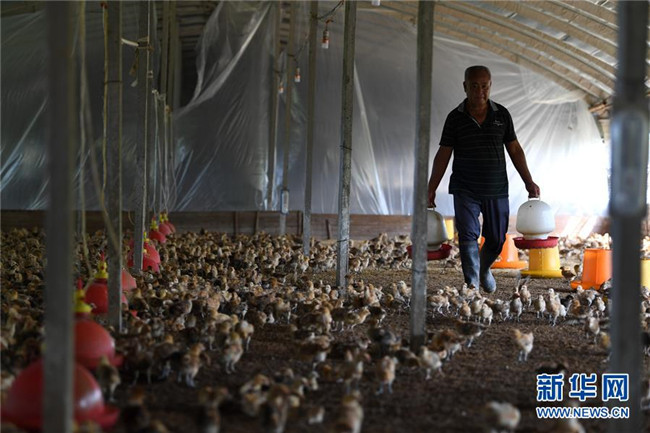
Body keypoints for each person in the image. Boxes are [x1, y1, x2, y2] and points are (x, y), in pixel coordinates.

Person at [427, 65, 540, 293]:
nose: (480, 91)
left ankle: (484, 268)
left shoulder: (502, 115)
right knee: (468, 235)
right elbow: (443, 153)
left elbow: (515, 149)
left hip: (496, 188)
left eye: (485, 86)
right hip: (465, 187)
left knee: (497, 238)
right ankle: (472, 285)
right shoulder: (455, 118)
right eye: (475, 86)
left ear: (490, 86)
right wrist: (431, 188)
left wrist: (529, 181)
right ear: (465, 86)